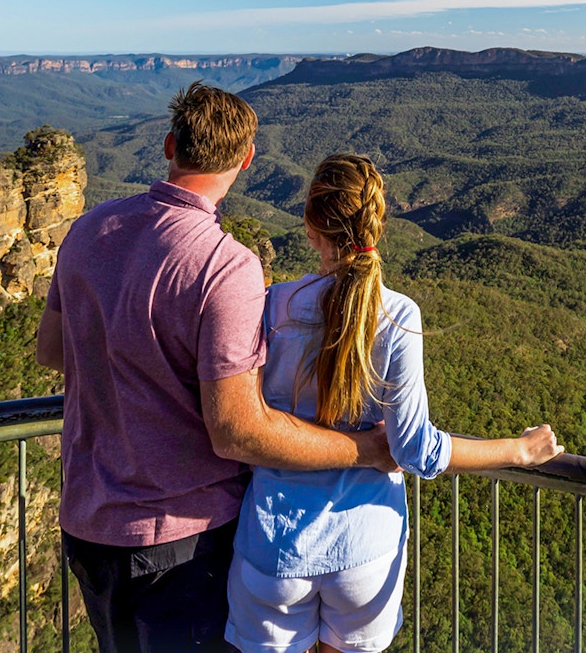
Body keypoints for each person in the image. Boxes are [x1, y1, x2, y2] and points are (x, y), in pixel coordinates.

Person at [35, 85, 396, 653]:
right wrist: (368, 451)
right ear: (248, 159)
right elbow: (237, 431)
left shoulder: (87, 229)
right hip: (183, 545)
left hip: (88, 525)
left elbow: (52, 351)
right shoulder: (226, 266)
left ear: (169, 144)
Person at [225, 153, 564, 653]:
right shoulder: (399, 317)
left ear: (310, 226)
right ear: (378, 225)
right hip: (365, 553)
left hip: (276, 547)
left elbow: (247, 421)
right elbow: (414, 450)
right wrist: (517, 450)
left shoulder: (271, 306)